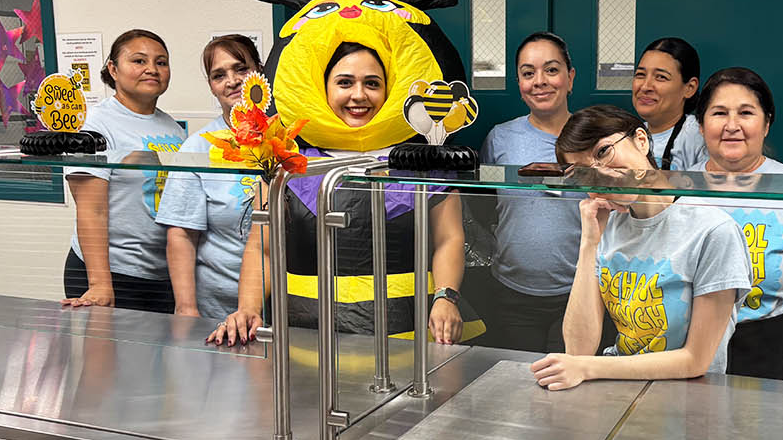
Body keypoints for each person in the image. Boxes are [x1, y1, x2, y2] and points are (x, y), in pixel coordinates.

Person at [206, 42, 468, 345]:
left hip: (408, 331)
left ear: (389, 91)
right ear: (324, 90)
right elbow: (261, 248)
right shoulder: (285, 162)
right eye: (345, 82)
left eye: (372, 83)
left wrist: (446, 297)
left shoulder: (422, 162)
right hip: (305, 334)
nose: (359, 95)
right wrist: (248, 309)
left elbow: (449, 238)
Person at [529, 104, 747, 390]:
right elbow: (578, 350)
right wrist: (589, 244)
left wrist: (587, 367)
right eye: (583, 173)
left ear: (641, 141)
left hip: (689, 396)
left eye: (603, 152)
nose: (600, 175)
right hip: (620, 388)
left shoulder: (713, 230)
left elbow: (696, 360)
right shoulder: (608, 225)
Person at [685, 67, 783, 383]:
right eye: (719, 113)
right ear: (701, 124)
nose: (732, 126)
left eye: (746, 113)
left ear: (766, 123)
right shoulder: (677, 193)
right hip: (691, 362)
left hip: (775, 362)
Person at [62, 29, 190, 313]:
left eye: (161, 62)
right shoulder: (94, 123)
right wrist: (99, 283)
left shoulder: (173, 128)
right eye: (139, 61)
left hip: (160, 274)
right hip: (110, 272)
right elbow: (91, 209)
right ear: (113, 69)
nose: (152, 69)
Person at [473, 32, 582, 353]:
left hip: (581, 292)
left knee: (566, 379)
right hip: (512, 294)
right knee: (517, 378)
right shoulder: (500, 138)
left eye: (552, 70)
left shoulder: (595, 138)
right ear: (519, 83)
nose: (540, 81)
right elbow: (485, 204)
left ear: (570, 77)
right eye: (528, 73)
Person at [156, 34, 264, 320]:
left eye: (241, 69)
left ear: (260, 71)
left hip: (291, 302)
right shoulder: (198, 147)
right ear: (212, 86)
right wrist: (186, 309)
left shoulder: (289, 137)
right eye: (219, 75)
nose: (232, 81)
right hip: (218, 308)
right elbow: (181, 234)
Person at [630, 37, 709, 170]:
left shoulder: (699, 136)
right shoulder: (627, 137)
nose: (645, 86)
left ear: (689, 88)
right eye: (640, 75)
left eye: (661, 77)